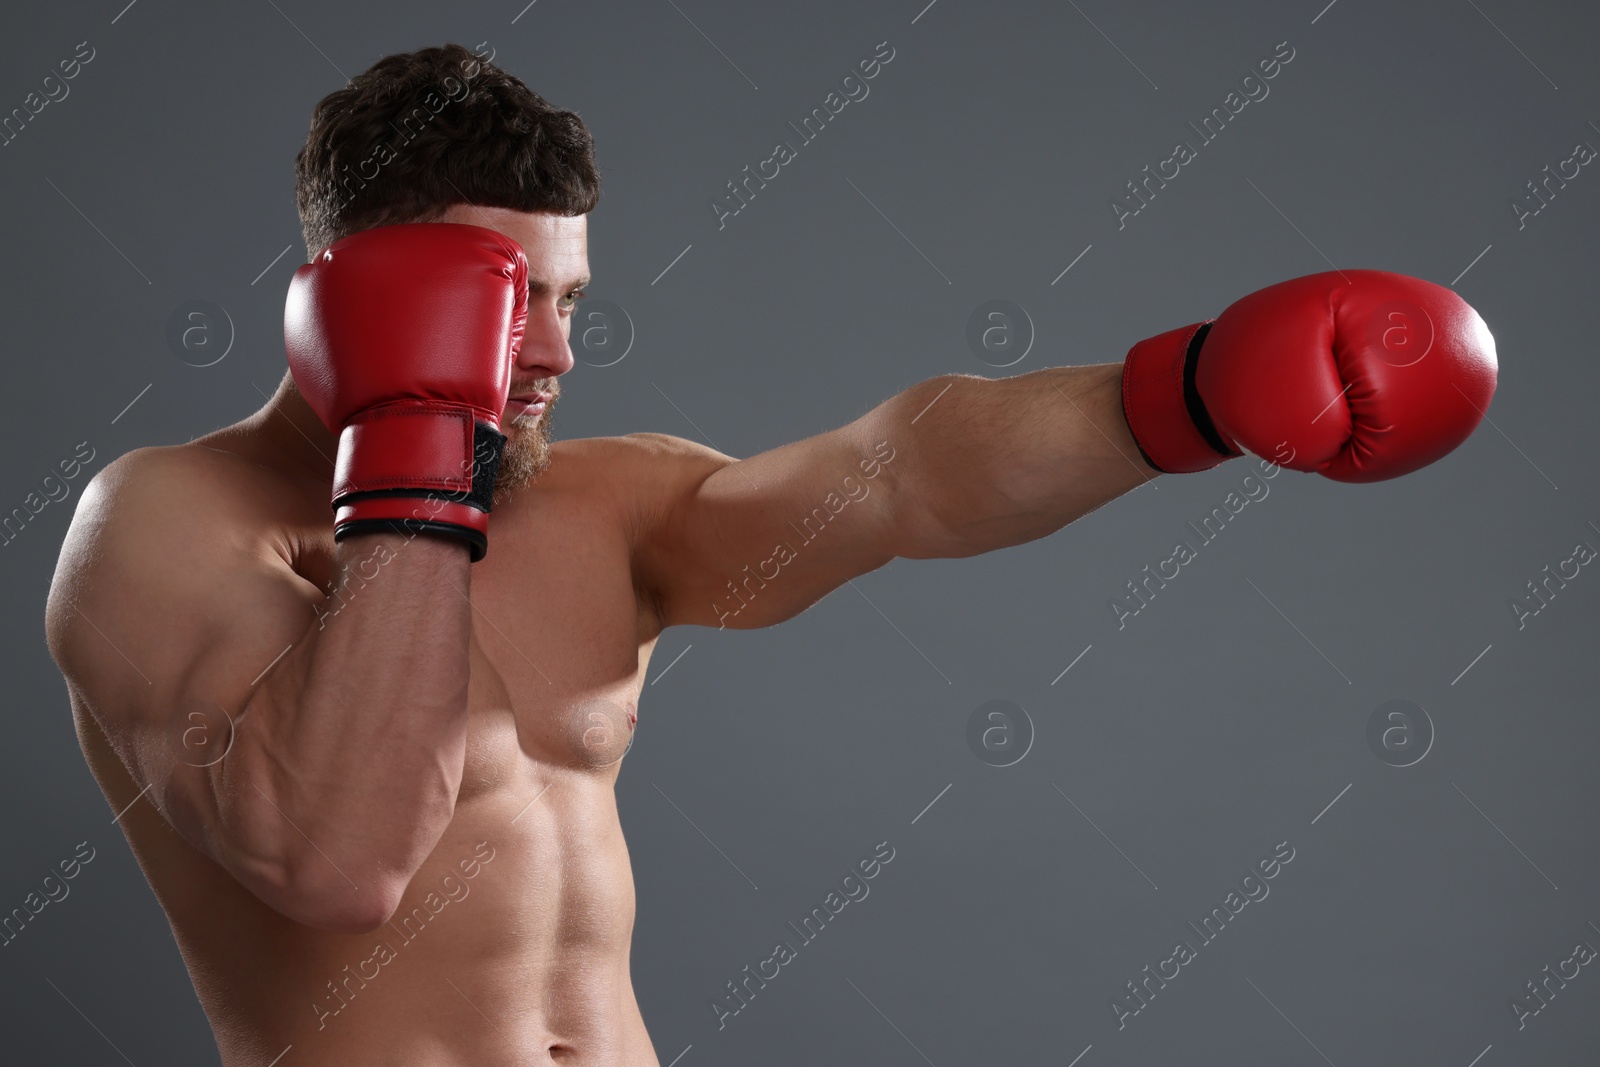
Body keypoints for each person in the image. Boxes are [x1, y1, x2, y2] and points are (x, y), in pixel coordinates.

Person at [43, 42, 1496, 1067]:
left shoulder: (601, 507)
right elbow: (337, 859)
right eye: (500, 310)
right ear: (338, 305)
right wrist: (418, 437)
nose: (551, 354)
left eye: (568, 299)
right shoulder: (163, 524)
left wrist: (1186, 396)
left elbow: (895, 479)